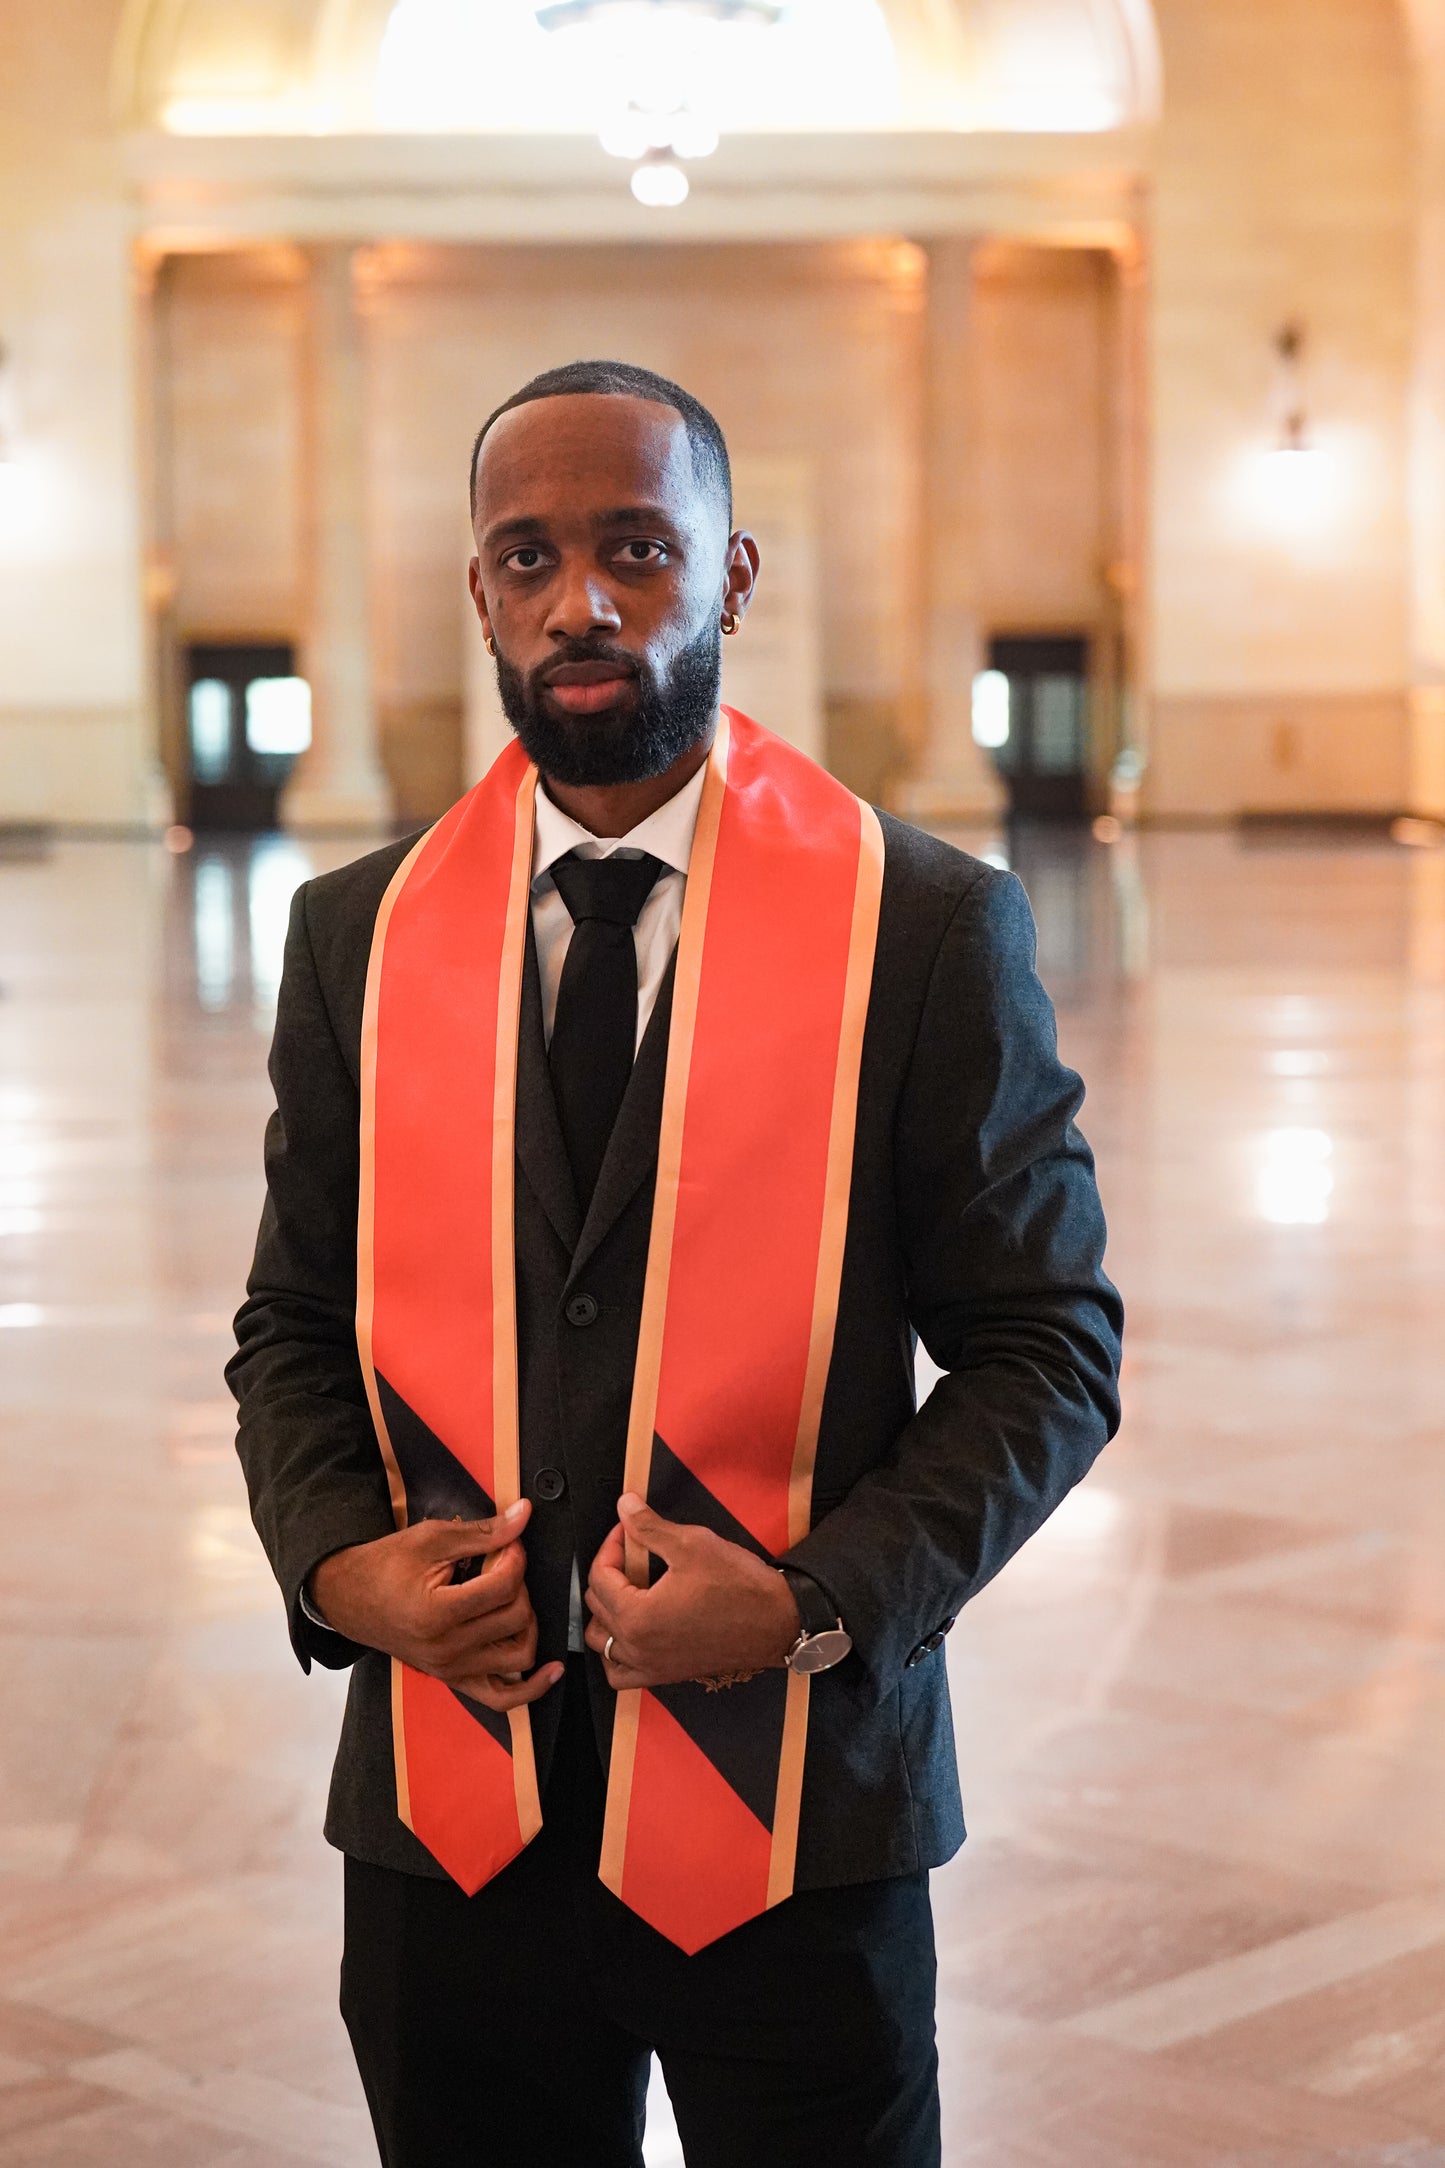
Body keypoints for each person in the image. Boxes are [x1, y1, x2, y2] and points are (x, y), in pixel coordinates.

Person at [229, 358, 1122, 2168]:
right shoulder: (359, 937)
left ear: (730, 572)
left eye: (638, 547)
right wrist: (340, 1570)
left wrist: (815, 1599)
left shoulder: (924, 929)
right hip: (449, 1827)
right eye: (530, 554)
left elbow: (1046, 1350)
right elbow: (292, 1329)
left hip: (793, 1819)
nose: (583, 600)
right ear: (479, 592)